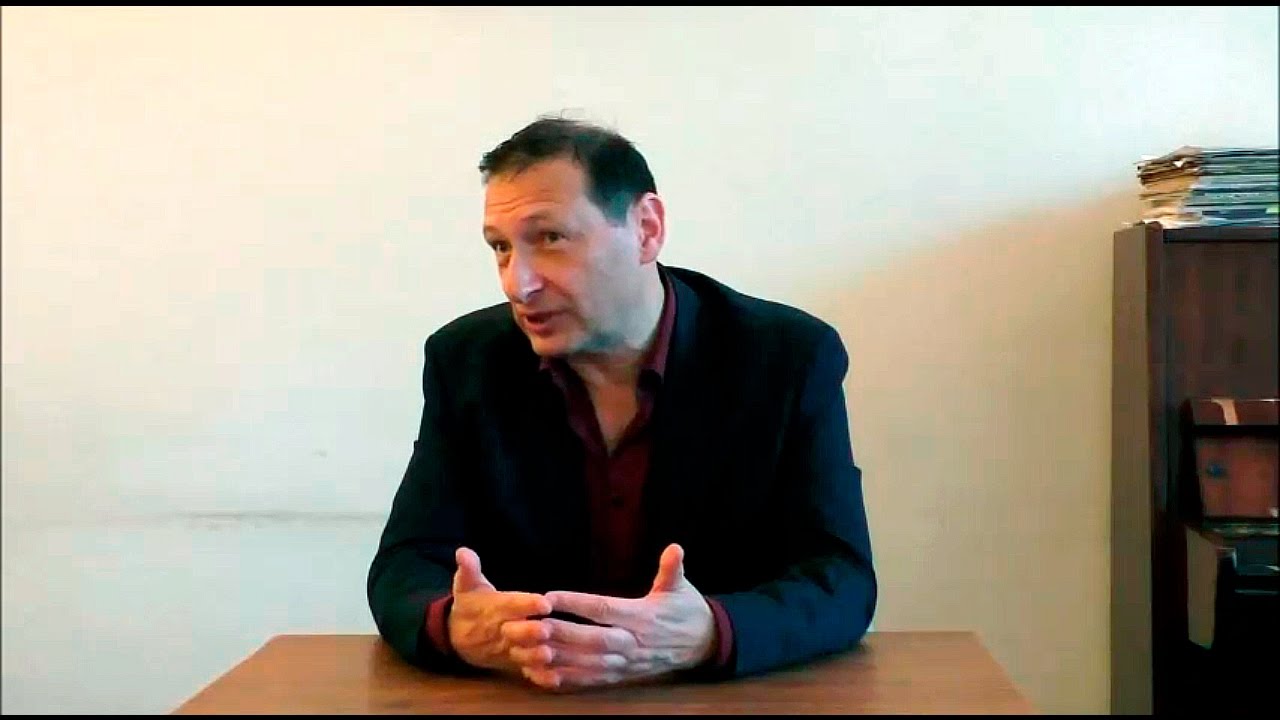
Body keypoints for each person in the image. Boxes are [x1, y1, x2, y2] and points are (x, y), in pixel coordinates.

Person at [367, 115, 877, 691]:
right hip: (530, 695)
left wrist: (710, 631)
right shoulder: (466, 360)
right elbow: (406, 564)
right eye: (501, 248)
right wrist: (455, 624)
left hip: (716, 699)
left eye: (550, 239)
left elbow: (841, 577)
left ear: (646, 229)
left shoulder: (787, 357)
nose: (517, 283)